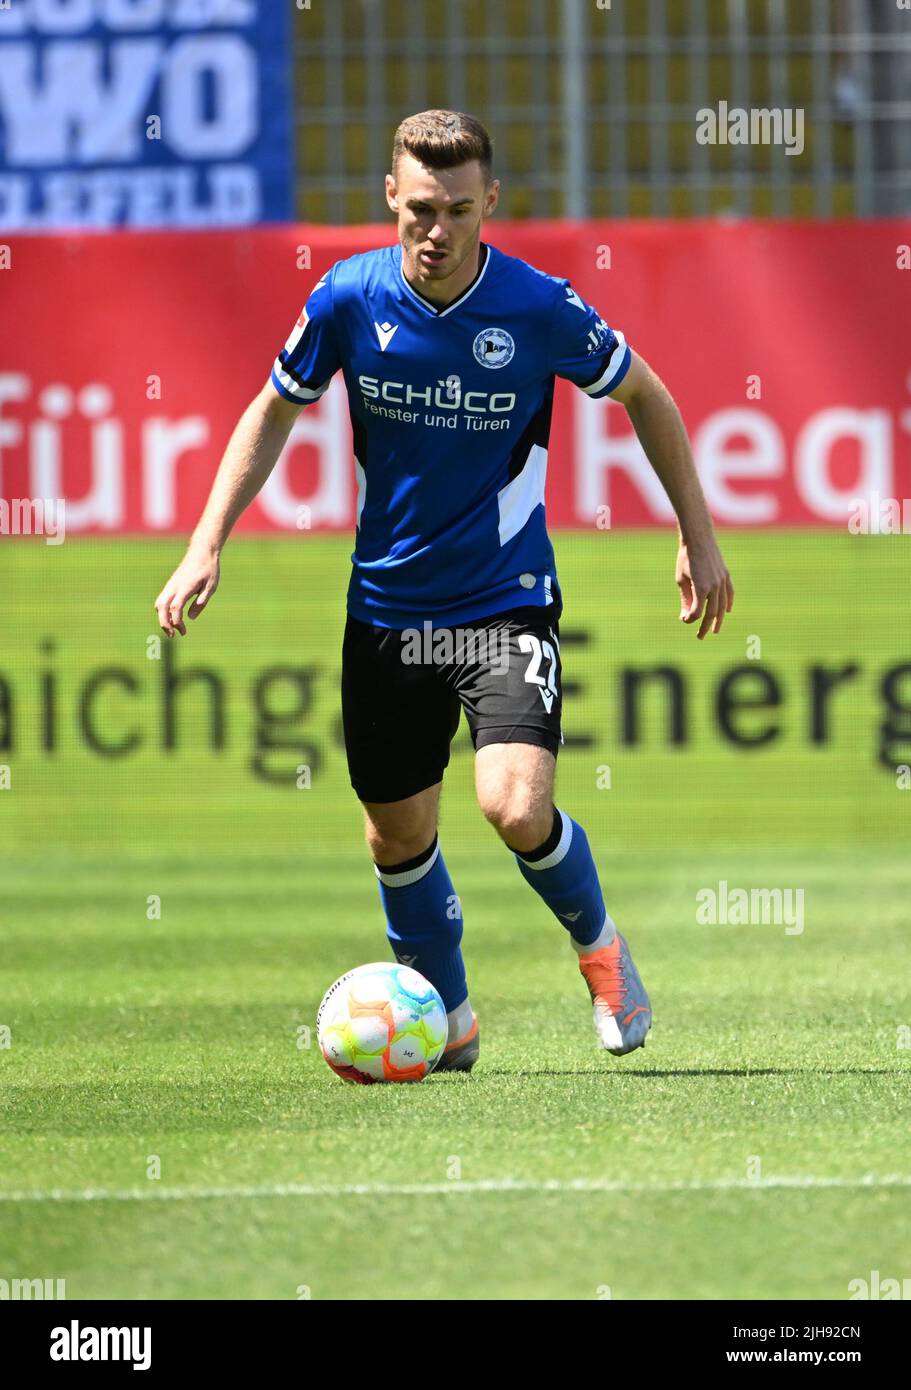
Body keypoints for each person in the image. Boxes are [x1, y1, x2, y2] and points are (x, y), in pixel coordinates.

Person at [154, 110, 734, 1072]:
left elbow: (648, 396)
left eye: (460, 210)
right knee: (397, 835)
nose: (438, 230)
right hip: (383, 611)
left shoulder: (538, 307)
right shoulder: (347, 299)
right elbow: (271, 411)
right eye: (420, 208)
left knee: (513, 806)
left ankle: (603, 959)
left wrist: (696, 534)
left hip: (503, 600)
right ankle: (450, 1021)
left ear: (489, 204)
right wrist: (204, 543)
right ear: (390, 197)